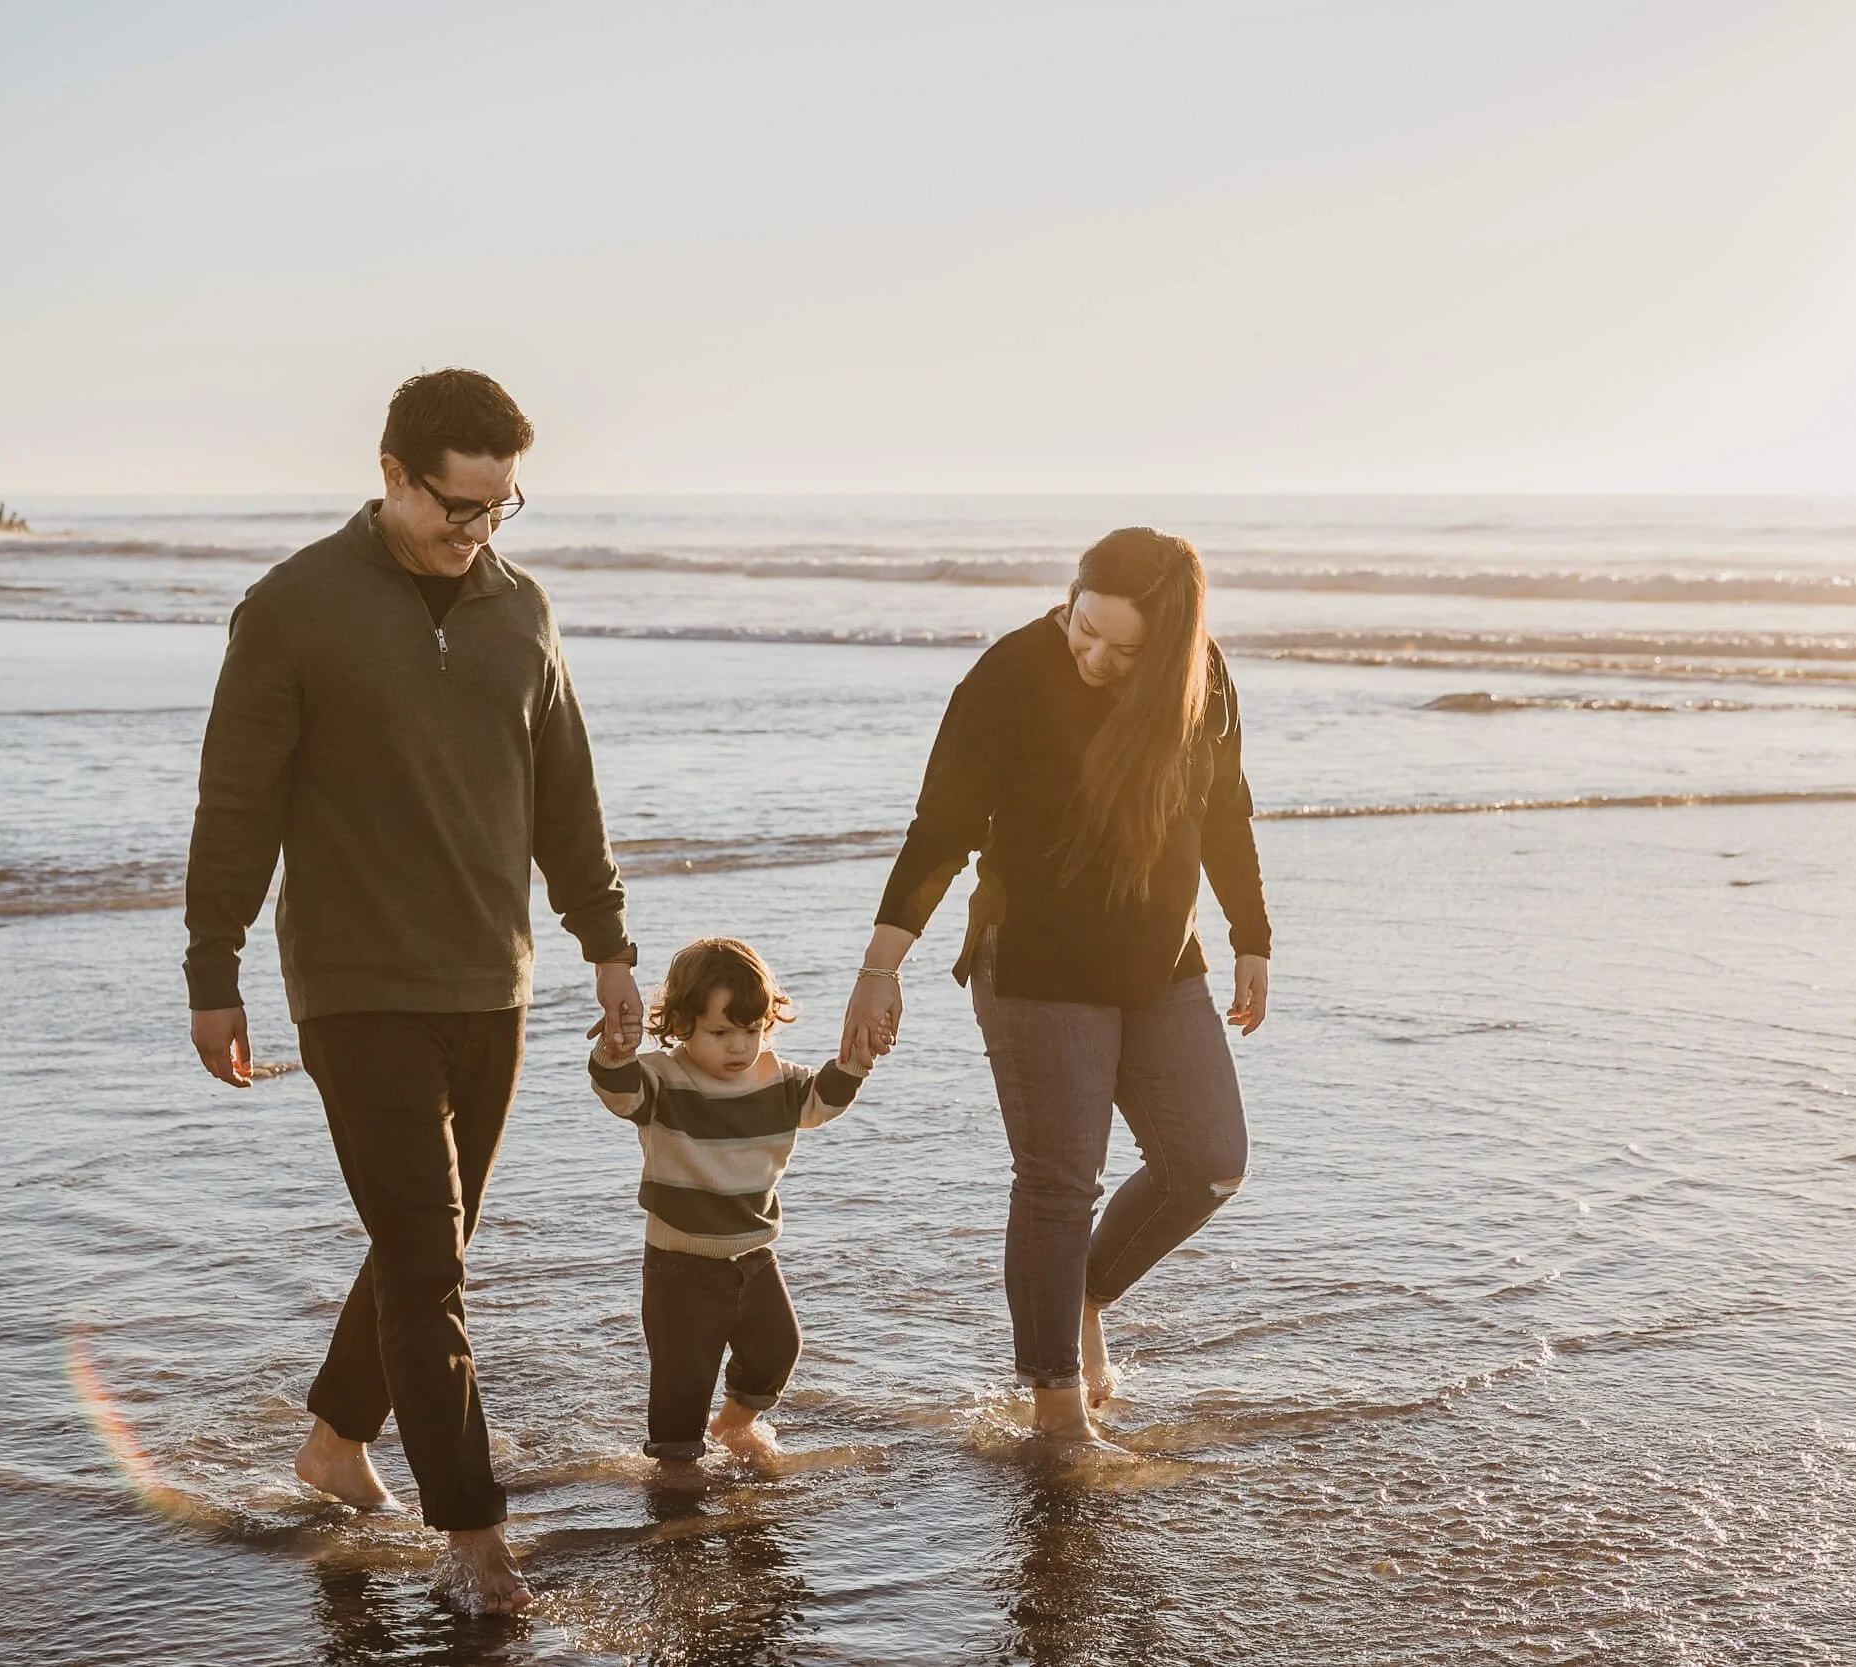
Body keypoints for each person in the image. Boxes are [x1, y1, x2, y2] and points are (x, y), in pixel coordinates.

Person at [182, 368, 643, 1614]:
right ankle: (474, 1534)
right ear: (391, 473)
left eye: (500, 506)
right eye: (456, 504)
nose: (475, 529)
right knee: (429, 1258)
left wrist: (606, 941)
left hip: (492, 979)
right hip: (353, 982)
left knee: (423, 1245)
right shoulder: (292, 608)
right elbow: (237, 804)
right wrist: (211, 968)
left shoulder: (521, 609)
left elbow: (567, 791)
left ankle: (334, 1440)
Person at [839, 527, 1271, 1452]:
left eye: (1124, 649)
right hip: (1034, 961)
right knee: (1059, 1181)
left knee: (1208, 1159)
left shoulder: (1203, 679)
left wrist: (1252, 937)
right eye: (1085, 628)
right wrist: (881, 967)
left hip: (1160, 959)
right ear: (1069, 598)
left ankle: (1080, 1292)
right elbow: (939, 832)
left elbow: (1224, 810)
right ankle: (1058, 1410)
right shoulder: (1010, 675)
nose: (1094, 657)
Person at [588, 938, 873, 1482]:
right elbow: (618, 1092)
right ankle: (675, 1466)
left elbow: (821, 1102)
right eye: (720, 1032)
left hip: (753, 1253)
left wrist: (853, 1064)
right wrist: (614, 1053)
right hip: (679, 1265)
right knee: (681, 1378)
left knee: (778, 1348)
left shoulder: (779, 1080)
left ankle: (734, 1424)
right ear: (680, 1023)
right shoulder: (661, 1080)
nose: (738, 1046)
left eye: (751, 1030)